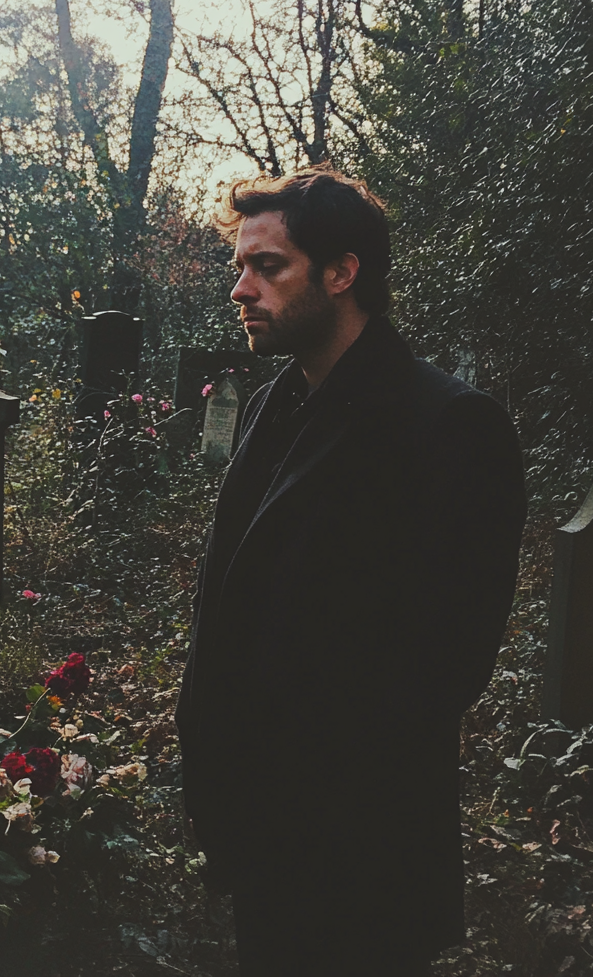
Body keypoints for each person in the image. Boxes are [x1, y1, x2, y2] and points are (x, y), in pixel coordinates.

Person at [175, 167, 527, 977]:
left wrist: (303, 789)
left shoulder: (449, 425)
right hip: (263, 841)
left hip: (363, 858)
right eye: (241, 266)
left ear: (342, 272)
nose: (241, 289)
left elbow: (448, 660)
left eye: (268, 267)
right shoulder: (274, 405)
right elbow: (230, 601)